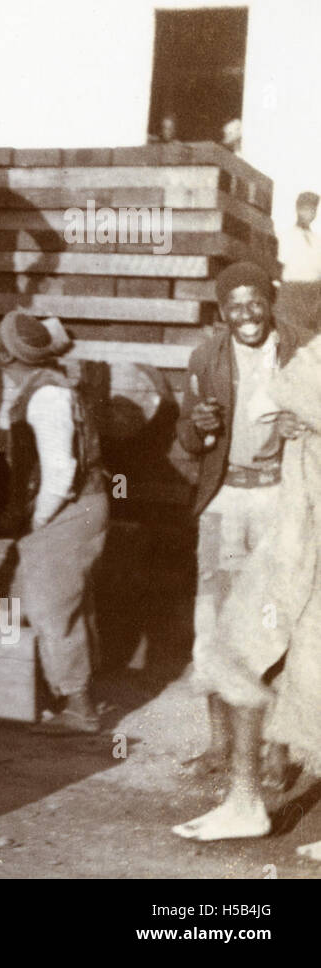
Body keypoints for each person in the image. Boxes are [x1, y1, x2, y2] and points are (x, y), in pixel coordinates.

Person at [173, 335, 320, 851]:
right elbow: (274, 400)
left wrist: (301, 410)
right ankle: (243, 800)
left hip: (302, 533)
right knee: (235, 650)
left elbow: (290, 392)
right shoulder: (303, 364)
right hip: (295, 535)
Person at [174, 261, 302, 778]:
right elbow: (186, 436)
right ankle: (220, 743)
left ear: (269, 302)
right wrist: (199, 427)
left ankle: (279, 749)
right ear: (221, 311)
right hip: (227, 505)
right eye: (234, 306)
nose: (246, 315)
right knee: (217, 616)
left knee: (280, 620)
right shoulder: (207, 357)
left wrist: (307, 424)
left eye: (254, 303)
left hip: (281, 500)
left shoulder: (303, 351)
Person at [0, 311, 111, 734]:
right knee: (70, 602)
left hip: (71, 507)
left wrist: (38, 523)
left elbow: (60, 470)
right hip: (82, 505)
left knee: (52, 606)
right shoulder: (38, 387)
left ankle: (79, 709)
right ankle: (75, 693)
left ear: (7, 353)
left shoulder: (46, 397)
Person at [277, 190, 321, 341]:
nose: (310, 214)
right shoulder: (286, 236)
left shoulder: (317, 240)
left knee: (312, 340)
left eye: (314, 210)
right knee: (291, 336)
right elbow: (279, 266)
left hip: (315, 295)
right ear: (298, 210)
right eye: (307, 209)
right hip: (292, 294)